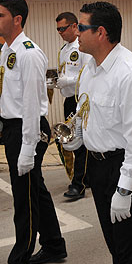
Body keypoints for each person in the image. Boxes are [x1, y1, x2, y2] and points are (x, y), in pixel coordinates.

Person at [62, 1, 132, 264]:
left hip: (125, 170)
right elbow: (86, 110)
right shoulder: (91, 68)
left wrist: (125, 189)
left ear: (101, 32)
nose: (76, 33)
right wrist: (78, 135)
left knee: (130, 253)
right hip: (97, 166)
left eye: (82, 27)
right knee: (116, 247)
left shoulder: (131, 74)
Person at [0, 0, 66, 264]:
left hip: (28, 129)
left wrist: (27, 148)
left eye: (0, 15)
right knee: (36, 189)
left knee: (25, 198)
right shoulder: (8, 49)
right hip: (14, 126)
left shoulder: (28, 53)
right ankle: (54, 244)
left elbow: (34, 105)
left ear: (17, 19)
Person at [54, 12, 91, 201]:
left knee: (79, 143)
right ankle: (86, 177)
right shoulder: (65, 48)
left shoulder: (82, 47)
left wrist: (66, 80)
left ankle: (79, 184)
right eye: (58, 29)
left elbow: (87, 75)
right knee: (71, 141)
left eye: (63, 28)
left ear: (74, 26)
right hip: (68, 99)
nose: (60, 32)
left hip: (80, 100)